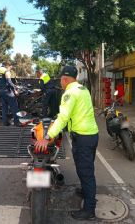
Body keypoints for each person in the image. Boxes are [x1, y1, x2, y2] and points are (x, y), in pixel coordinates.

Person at [34, 66, 99, 221]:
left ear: (64, 79)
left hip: (82, 138)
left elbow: (63, 118)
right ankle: (85, 191)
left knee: (86, 172)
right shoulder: (83, 89)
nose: (60, 84)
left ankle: (89, 210)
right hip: (92, 135)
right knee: (87, 168)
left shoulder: (69, 93)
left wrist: (47, 136)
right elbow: (75, 112)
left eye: (61, 80)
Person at [0, 61, 20, 126]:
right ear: (8, 65)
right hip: (7, 91)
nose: (11, 68)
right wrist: (15, 90)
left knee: (4, 108)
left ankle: (5, 123)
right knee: (15, 107)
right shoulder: (6, 71)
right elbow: (9, 82)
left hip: (0, 92)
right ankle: (17, 123)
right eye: (10, 67)